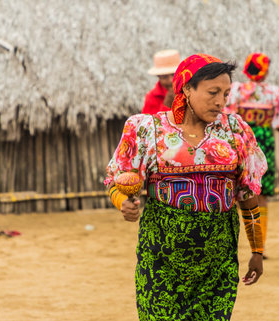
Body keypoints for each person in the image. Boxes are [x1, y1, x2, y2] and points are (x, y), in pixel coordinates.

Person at [105, 54, 267, 320]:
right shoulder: (149, 129)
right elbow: (115, 178)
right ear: (187, 89)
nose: (220, 102)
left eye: (226, 94)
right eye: (212, 92)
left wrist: (257, 251)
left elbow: (247, 196)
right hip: (162, 264)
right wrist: (121, 202)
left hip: (217, 265)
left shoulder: (235, 131)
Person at [224, 53, 279, 257]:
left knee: (234, 191)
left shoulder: (235, 90)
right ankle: (258, 247)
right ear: (264, 70)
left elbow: (226, 116)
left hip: (240, 141)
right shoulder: (274, 93)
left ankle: (230, 245)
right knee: (260, 195)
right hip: (263, 144)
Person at [141, 49, 181, 114]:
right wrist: (166, 104)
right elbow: (148, 123)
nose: (171, 80)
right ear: (158, 77)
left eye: (174, 74)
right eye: (165, 77)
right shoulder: (151, 98)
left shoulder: (191, 90)